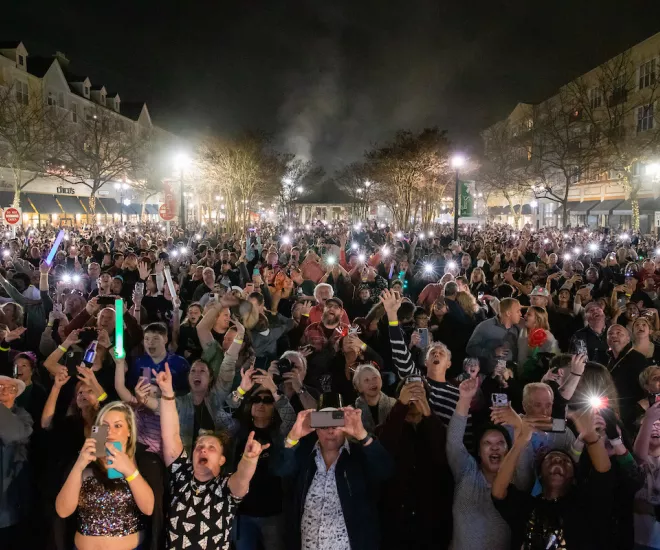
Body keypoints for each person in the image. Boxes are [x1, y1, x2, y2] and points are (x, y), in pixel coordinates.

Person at [155, 363, 269, 550]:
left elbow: (242, 478)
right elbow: (171, 435)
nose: (203, 449)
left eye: (211, 447)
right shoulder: (181, 474)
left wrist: (249, 458)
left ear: (223, 459)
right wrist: (167, 393)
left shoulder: (225, 488)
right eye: (199, 446)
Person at [271, 403, 393, 550]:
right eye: (323, 425)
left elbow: (385, 470)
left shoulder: (359, 455)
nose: (330, 431)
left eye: (336, 424)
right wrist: (293, 437)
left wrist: (362, 435)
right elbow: (280, 470)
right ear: (315, 429)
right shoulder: (304, 454)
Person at [491, 406, 613, 550]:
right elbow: (498, 492)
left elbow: (604, 472)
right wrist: (521, 441)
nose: (557, 461)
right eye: (550, 459)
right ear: (540, 474)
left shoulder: (585, 505)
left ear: (574, 477)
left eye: (565, 461)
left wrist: (591, 435)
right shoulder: (526, 507)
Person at [55, 401, 155, 550]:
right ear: (97, 430)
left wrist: (129, 470)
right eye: (105, 426)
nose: (109, 432)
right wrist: (79, 465)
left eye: (118, 426)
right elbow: (62, 511)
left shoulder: (143, 462)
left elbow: (148, 508)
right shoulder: (84, 463)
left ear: (129, 431)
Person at [376, 377, 453, 550]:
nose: (413, 399)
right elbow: (384, 451)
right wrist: (400, 407)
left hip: (431, 522)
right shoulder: (386, 428)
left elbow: (442, 455)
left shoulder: (437, 427)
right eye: (408, 393)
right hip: (396, 523)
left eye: (419, 393)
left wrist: (427, 411)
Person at [230, 372, 296, 550]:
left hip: (273, 514)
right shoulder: (238, 431)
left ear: (274, 407)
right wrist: (241, 390)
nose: (260, 403)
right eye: (256, 399)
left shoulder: (280, 434)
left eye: (267, 400)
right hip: (242, 514)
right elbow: (221, 413)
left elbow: (291, 419)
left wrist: (274, 390)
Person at [447, 378, 511, 550]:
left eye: (500, 443)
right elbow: (453, 442)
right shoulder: (467, 471)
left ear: (508, 450)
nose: (494, 448)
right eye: (487, 443)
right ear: (479, 451)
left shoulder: (517, 481)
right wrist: (465, 399)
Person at [0, 374, 32, 550]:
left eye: (9, 387)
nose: (4, 390)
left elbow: (14, 433)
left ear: (16, 394)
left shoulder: (22, 415)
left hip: (8, 497)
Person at [606, 324, 647, 430]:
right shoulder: (608, 360)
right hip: (613, 413)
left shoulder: (638, 359)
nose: (614, 336)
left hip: (632, 418)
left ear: (628, 338)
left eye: (619, 333)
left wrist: (637, 410)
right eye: (610, 334)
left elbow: (647, 388)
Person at [466, 297, 522, 373]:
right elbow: (470, 348)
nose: (520, 314)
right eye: (518, 311)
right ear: (508, 313)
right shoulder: (485, 326)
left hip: (510, 374)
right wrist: (492, 352)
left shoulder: (517, 328)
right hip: (488, 375)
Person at [352, 364, 396, 434]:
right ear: (359, 387)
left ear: (381, 380)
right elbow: (329, 420)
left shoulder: (394, 404)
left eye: (375, 378)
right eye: (366, 380)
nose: (372, 383)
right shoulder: (352, 409)